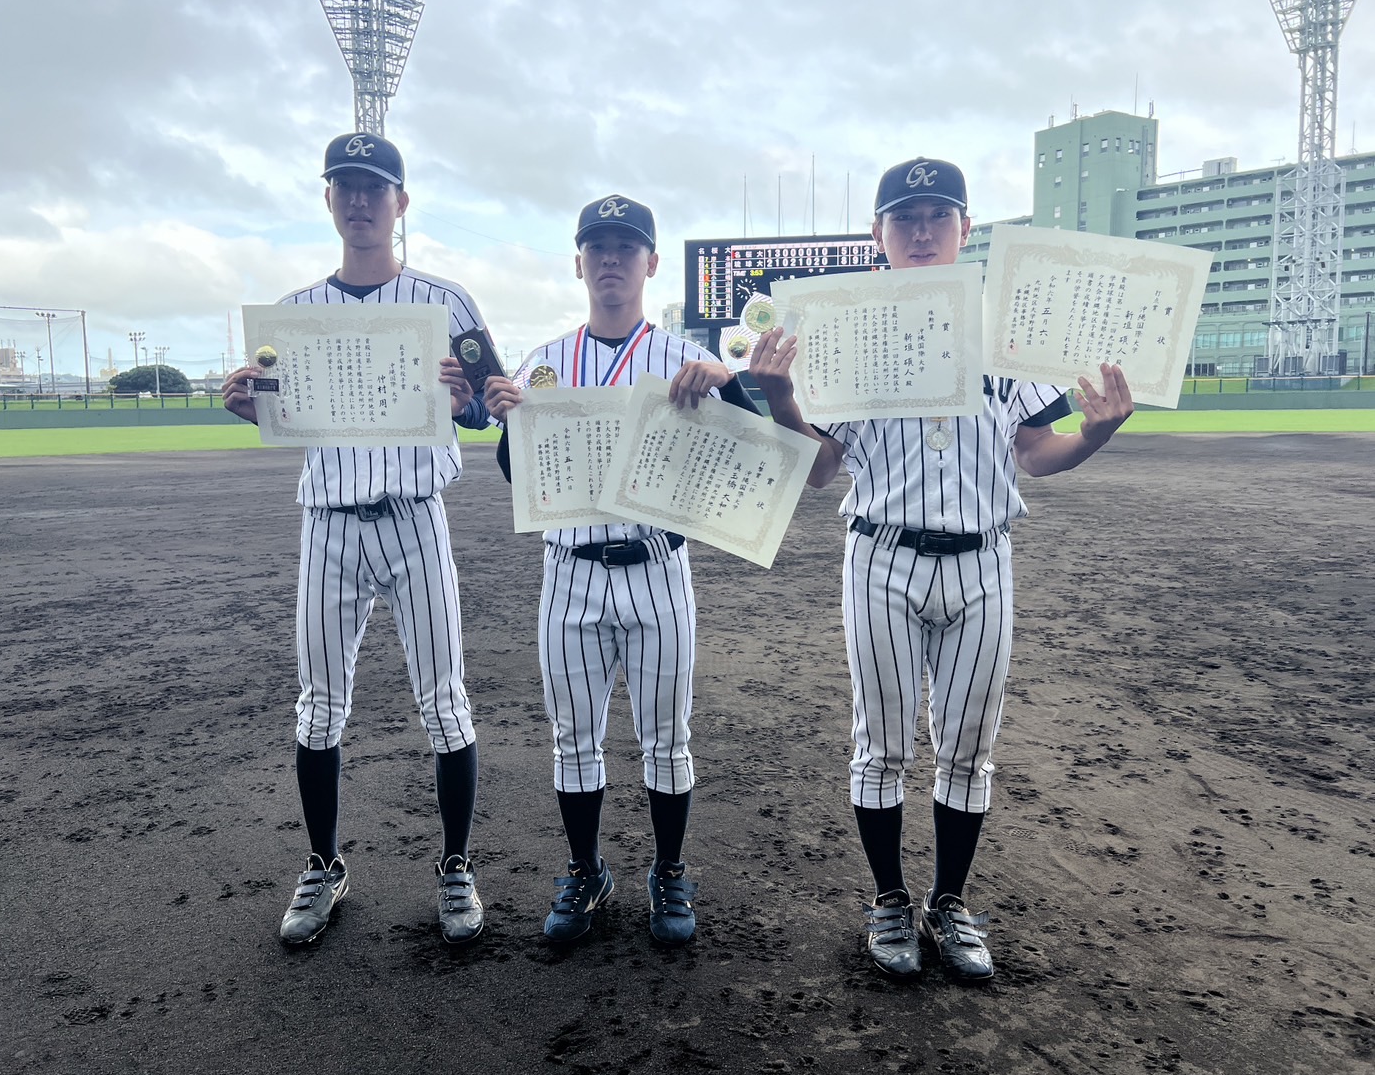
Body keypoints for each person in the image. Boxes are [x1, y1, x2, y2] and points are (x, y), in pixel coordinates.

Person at [749, 157, 1134, 982]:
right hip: (880, 558)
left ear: (965, 229)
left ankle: (948, 902)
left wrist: (1096, 433)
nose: (920, 230)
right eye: (903, 217)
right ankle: (888, 899)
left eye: (936, 215)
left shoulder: (1007, 334)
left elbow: (1033, 452)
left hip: (983, 562)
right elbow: (819, 471)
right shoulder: (842, 332)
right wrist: (783, 402)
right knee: (880, 746)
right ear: (876, 237)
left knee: (967, 748)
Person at [222, 131, 493, 947]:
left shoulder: (447, 302)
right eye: (346, 185)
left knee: (444, 703)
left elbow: (489, 407)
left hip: (416, 518)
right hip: (330, 524)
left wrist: (465, 397)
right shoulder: (292, 317)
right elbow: (275, 411)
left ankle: (454, 865)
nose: (361, 199)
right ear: (329, 199)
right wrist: (246, 404)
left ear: (401, 203)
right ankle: (322, 864)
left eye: (375, 186)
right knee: (318, 706)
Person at [482, 194, 757, 946]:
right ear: (578, 262)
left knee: (667, 738)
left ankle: (667, 871)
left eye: (624, 247)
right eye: (596, 246)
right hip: (569, 571)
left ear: (650, 264)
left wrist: (727, 388)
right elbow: (521, 476)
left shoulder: (683, 358)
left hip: (658, 569)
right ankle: (585, 870)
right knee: (573, 738)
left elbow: (753, 453)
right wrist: (511, 423)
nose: (610, 259)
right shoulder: (542, 361)